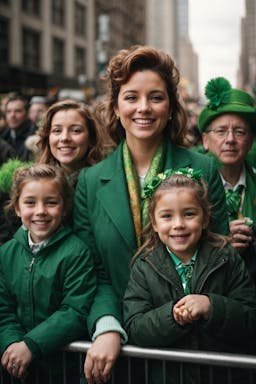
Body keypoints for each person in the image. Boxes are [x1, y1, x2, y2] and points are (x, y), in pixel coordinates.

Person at [74, 45, 229, 383]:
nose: (143, 108)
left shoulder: (203, 168)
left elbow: (221, 260)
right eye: (131, 97)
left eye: (155, 97)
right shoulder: (88, 181)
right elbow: (92, 273)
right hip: (121, 353)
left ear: (171, 106)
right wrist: (107, 326)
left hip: (194, 353)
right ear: (115, 107)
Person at [123, 169, 256, 384]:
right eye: (167, 216)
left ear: (205, 219)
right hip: (168, 377)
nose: (178, 224)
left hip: (223, 376)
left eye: (189, 214)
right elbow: (135, 327)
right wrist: (172, 316)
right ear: (155, 224)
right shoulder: (144, 267)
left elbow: (250, 319)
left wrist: (212, 307)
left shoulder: (226, 258)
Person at [0, 164, 96, 383]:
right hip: (17, 368)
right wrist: (12, 344)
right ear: (17, 208)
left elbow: (75, 310)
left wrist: (31, 345)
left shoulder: (76, 252)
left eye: (50, 202)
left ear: (64, 208)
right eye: (30, 203)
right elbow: (3, 309)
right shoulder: (6, 254)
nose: (40, 211)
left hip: (64, 371)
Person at [198, 77, 256, 284]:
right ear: (205, 140)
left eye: (239, 132)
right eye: (221, 131)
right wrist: (217, 238)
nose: (230, 139)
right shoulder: (189, 186)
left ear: (250, 140)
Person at [36, 99, 109, 186]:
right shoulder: (34, 181)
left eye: (75, 130)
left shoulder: (107, 182)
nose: (65, 138)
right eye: (57, 130)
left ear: (91, 137)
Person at [0, 93, 37, 161]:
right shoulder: (3, 135)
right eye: (9, 111)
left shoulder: (35, 137)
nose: (12, 115)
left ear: (27, 114)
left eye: (18, 111)